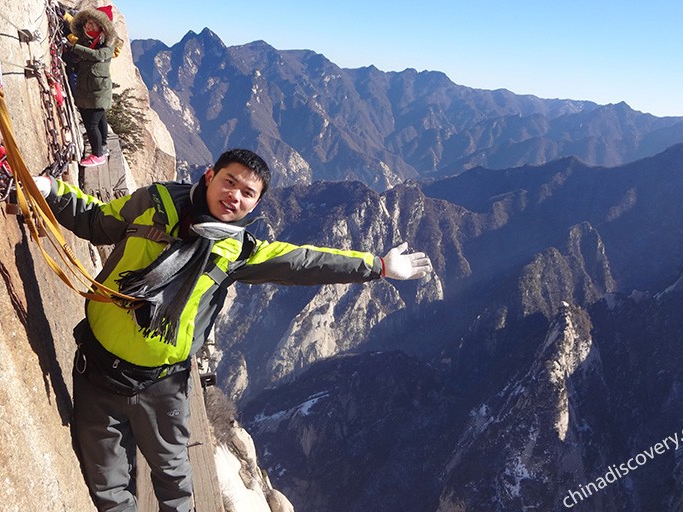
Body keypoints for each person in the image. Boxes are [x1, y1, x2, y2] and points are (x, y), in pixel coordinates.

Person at [34, 148, 432, 511]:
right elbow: (96, 220)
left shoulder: (240, 251)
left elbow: (304, 262)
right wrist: (49, 189)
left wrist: (377, 266)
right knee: (107, 481)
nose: (235, 196)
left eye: (248, 193)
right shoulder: (154, 204)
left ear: (255, 204)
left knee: (174, 481)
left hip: (161, 386)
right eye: (230, 182)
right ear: (209, 176)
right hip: (98, 372)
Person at [66, 5, 121, 167]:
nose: (88, 26)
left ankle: (98, 155)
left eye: (93, 23)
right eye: (87, 23)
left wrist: (74, 48)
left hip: (97, 90)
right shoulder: (89, 40)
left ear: (102, 26)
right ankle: (102, 147)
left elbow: (98, 55)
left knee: (91, 123)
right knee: (100, 118)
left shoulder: (107, 43)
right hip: (90, 88)